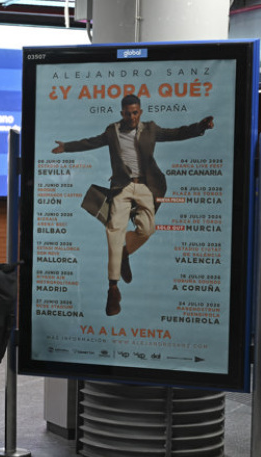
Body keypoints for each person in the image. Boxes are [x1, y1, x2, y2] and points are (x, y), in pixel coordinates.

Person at [51, 94, 214, 316]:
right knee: (114, 231)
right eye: (127, 113)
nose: (132, 117)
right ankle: (113, 288)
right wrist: (66, 147)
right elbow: (92, 142)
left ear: (140, 112)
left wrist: (200, 127)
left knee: (147, 229)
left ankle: (125, 252)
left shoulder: (151, 129)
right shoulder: (113, 131)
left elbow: (177, 133)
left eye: (135, 112)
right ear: (122, 113)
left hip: (146, 186)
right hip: (122, 187)